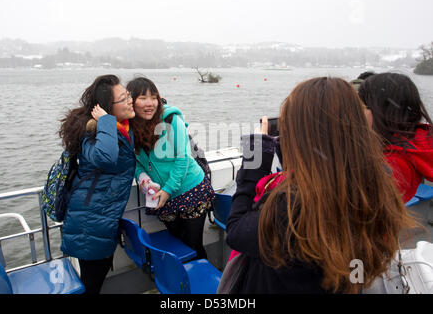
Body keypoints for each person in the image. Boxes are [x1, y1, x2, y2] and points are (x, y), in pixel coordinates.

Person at [226, 77, 418, 293]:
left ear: (302, 134)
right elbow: (322, 168)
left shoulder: (291, 207)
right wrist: (292, 152)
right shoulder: (376, 180)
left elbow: (236, 231)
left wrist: (255, 159)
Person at [59, 74, 136, 294]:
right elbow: (106, 158)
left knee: (95, 279)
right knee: (91, 285)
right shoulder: (92, 133)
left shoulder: (123, 127)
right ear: (106, 108)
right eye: (123, 98)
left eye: (128, 94)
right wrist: (105, 121)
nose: (130, 100)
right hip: (89, 222)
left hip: (102, 217)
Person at [126, 76, 215, 260]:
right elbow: (136, 163)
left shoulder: (171, 119)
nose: (149, 103)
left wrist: (167, 189)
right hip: (162, 198)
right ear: (131, 101)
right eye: (143, 98)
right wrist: (144, 179)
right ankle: (181, 285)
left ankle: (203, 283)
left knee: (193, 246)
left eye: (153, 97)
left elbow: (182, 159)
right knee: (177, 247)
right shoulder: (129, 129)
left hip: (191, 189)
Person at [358, 73, 433, 202]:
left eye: (362, 106)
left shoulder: (393, 162)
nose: (356, 112)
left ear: (380, 111)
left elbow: (364, 208)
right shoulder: (416, 140)